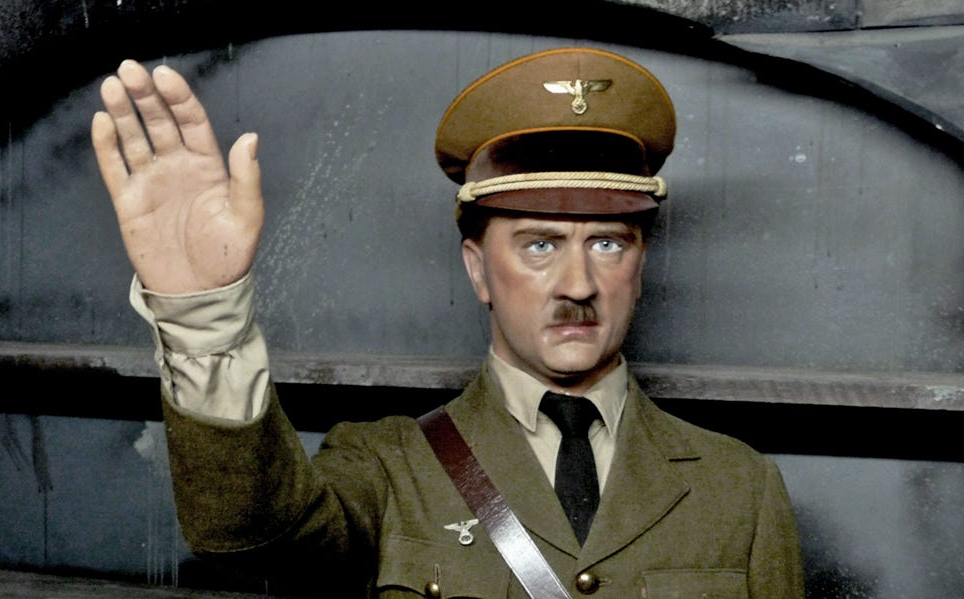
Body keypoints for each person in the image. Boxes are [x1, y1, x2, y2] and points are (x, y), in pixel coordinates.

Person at [91, 47, 804, 598]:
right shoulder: (389, 466)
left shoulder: (739, 488)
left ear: (640, 264)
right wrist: (205, 313)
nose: (579, 284)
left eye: (609, 244)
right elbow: (251, 535)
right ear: (477, 269)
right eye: (539, 245)